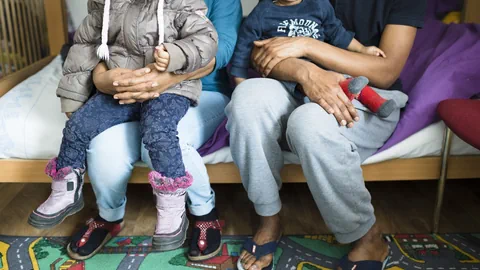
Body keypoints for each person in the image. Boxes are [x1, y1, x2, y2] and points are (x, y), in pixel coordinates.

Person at [27, 0, 239, 261]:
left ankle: (202, 212)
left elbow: (220, 48)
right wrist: (102, 79)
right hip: (128, 89)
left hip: (194, 90)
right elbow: (95, 45)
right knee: (101, 144)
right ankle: (108, 215)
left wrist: (167, 76)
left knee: (161, 140)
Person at [225, 0, 426, 269]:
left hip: (366, 92)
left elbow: (385, 72)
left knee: (309, 123)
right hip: (293, 82)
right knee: (245, 100)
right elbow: (260, 51)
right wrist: (304, 71)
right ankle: (269, 217)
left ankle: (368, 237)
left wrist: (308, 45)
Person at [230, 0, 396, 119]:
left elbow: (337, 33)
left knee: (346, 79)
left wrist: (362, 49)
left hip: (321, 66)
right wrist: (240, 83)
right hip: (286, 71)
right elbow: (243, 48)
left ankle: (378, 103)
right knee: (317, 84)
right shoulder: (262, 12)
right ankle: (338, 91)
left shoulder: (319, 4)